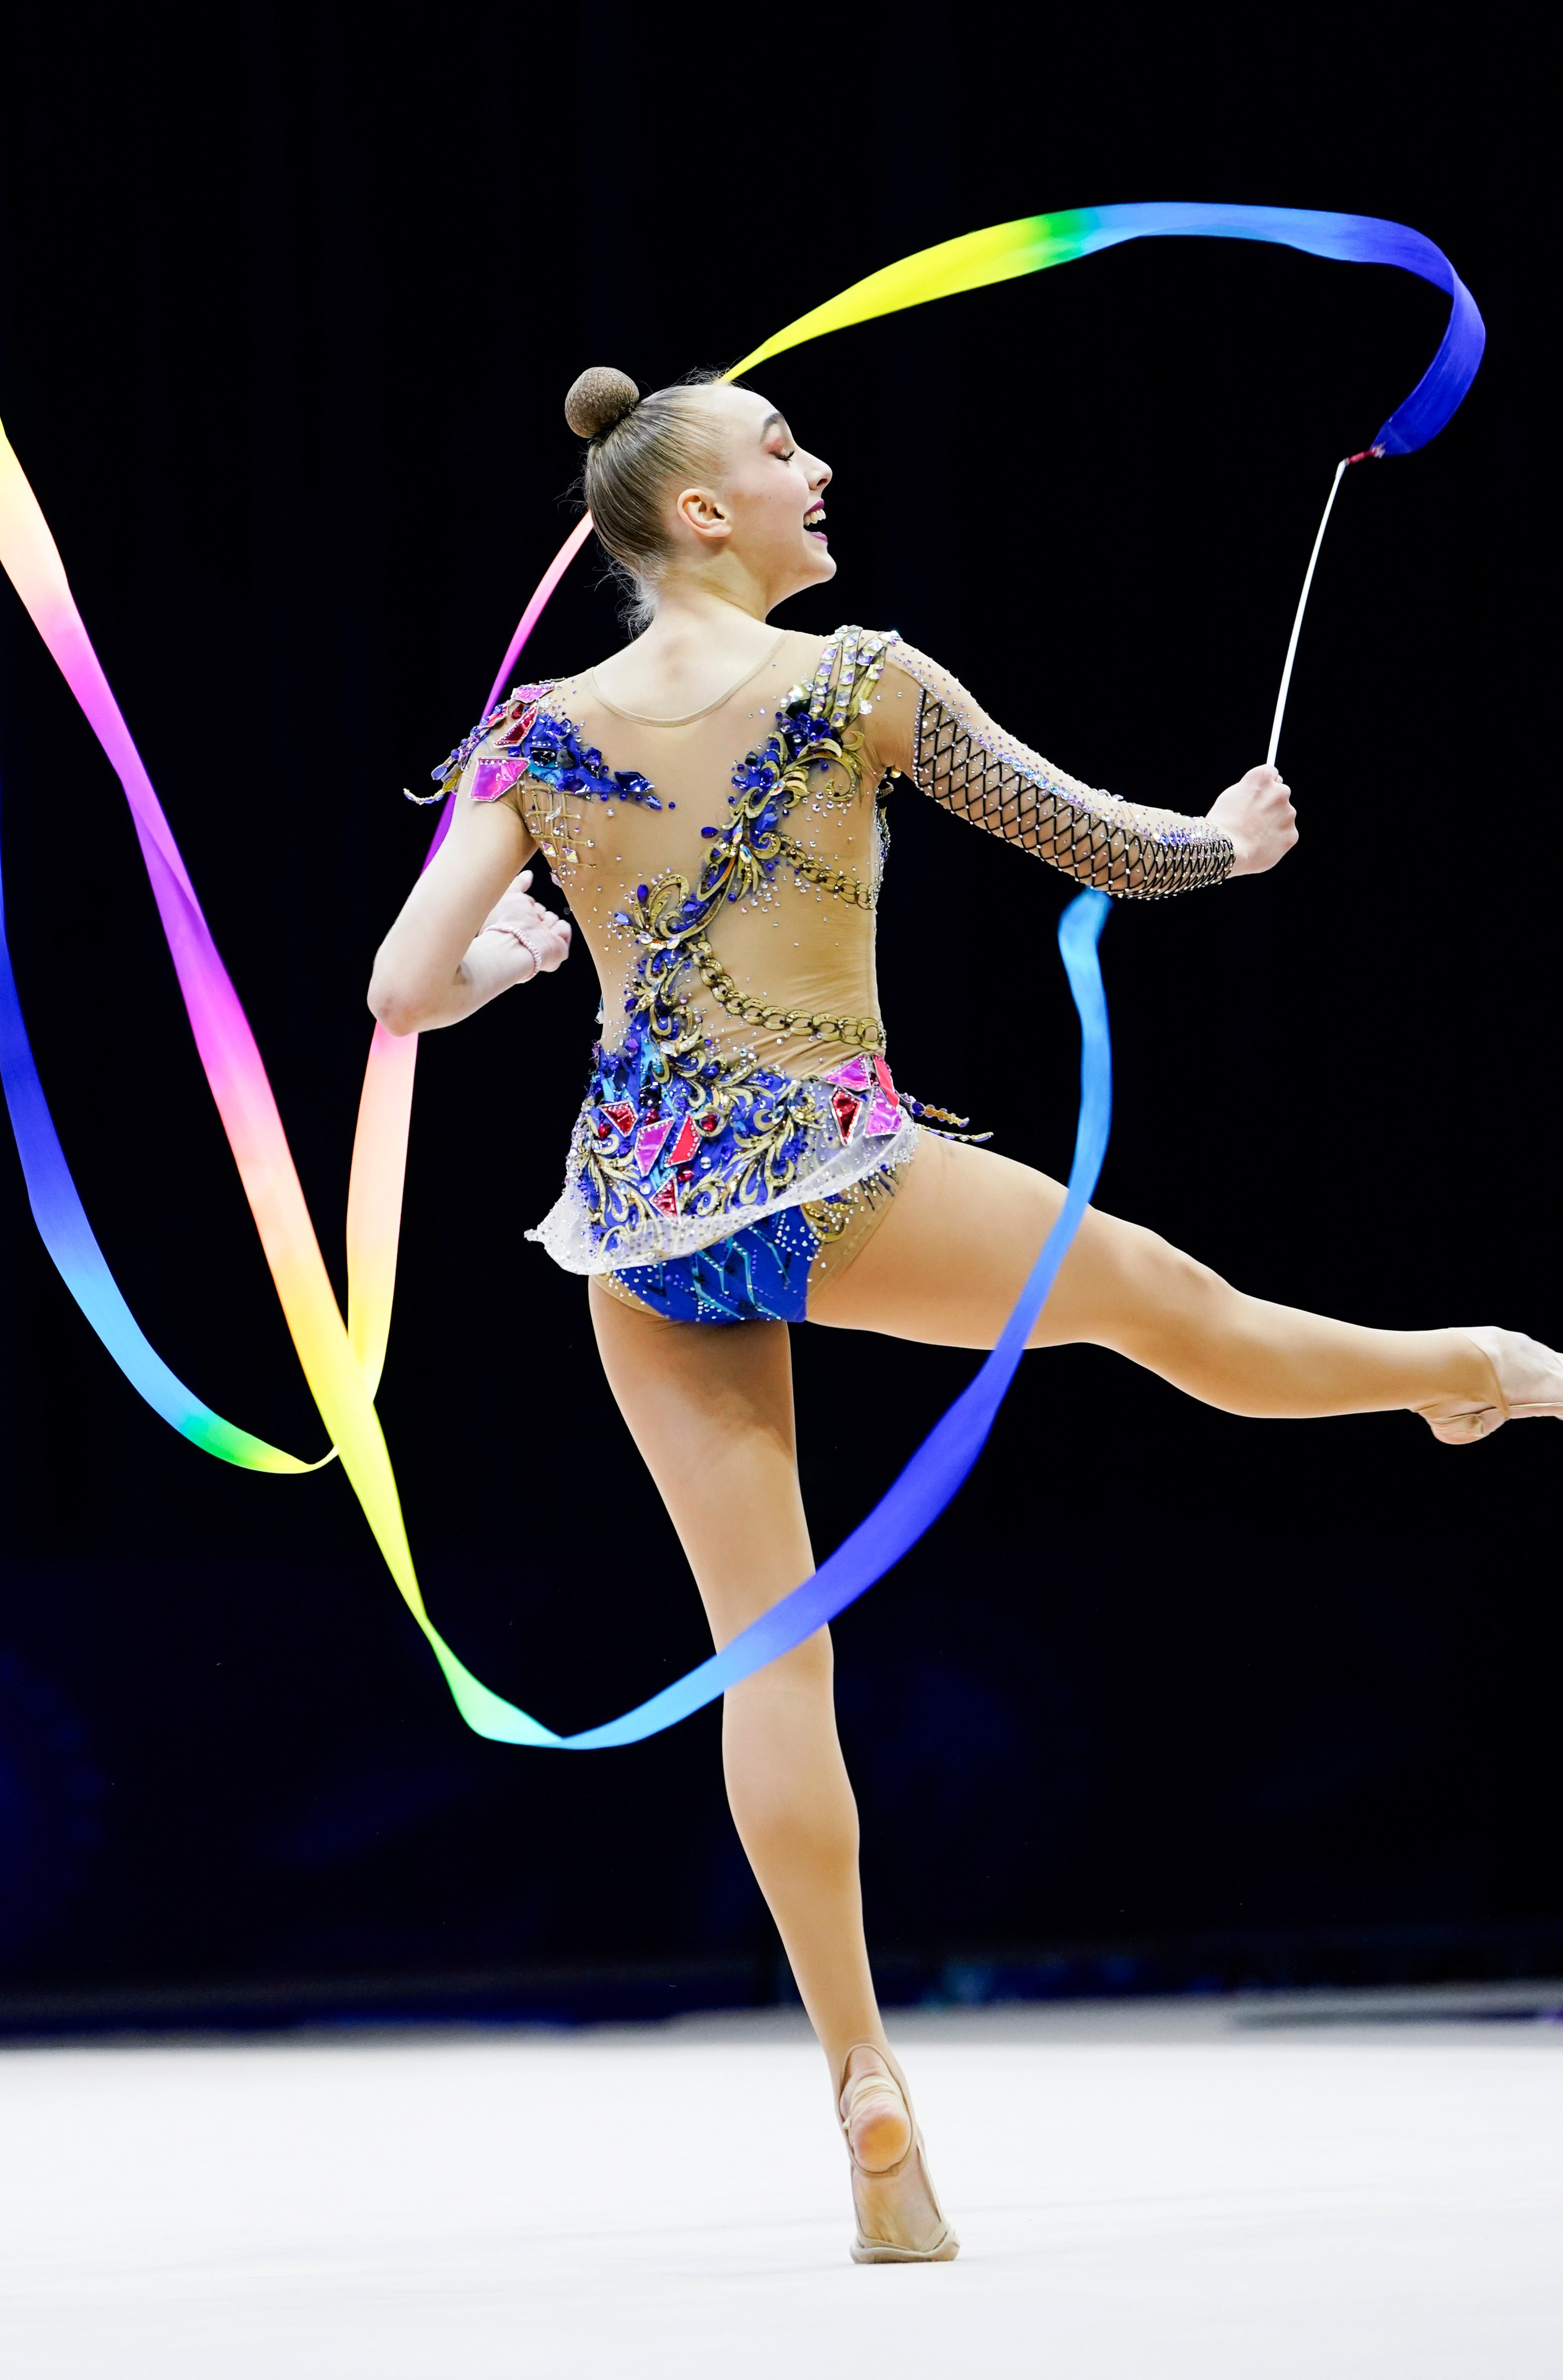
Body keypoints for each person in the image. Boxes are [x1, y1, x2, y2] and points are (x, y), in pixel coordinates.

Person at [368, 366, 1563, 2263]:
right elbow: (1114, 849)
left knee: (775, 1656)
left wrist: (525, 945)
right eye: (779, 449)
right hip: (832, 1170)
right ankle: (1473, 1372)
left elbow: (403, 987)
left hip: (642, 1222)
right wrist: (1231, 841)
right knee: (1180, 1314)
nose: (819, 466)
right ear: (698, 513)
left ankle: (866, 2086)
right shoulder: (863, 681)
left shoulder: (541, 732)